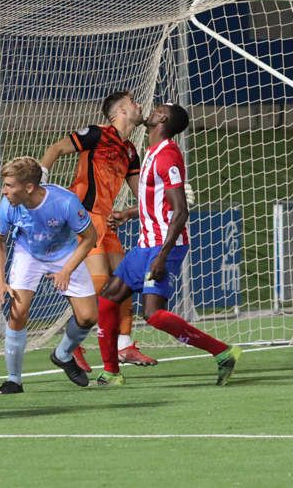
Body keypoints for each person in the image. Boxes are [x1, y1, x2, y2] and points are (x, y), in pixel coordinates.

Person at [96, 103, 242, 386]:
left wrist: (162, 257)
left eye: (157, 109)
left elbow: (180, 210)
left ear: (162, 118)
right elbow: (156, 200)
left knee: (152, 314)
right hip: (145, 244)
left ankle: (223, 351)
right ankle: (111, 372)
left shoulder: (167, 156)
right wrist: (128, 214)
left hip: (163, 246)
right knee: (108, 298)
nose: (151, 110)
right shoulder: (151, 152)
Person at [39, 90, 157, 371]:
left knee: (125, 283)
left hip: (107, 220)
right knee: (97, 285)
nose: (139, 105)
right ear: (120, 111)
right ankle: (72, 345)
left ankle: (124, 346)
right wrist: (40, 188)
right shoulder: (95, 134)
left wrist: (159, 199)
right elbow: (55, 149)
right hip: (83, 218)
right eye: (133, 102)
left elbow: (140, 193)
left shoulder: (129, 150)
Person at [0, 156, 98, 394]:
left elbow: (91, 237)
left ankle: (62, 355)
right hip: (28, 253)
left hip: (64, 253)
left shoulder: (65, 202)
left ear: (28, 187)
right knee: (18, 312)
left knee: (89, 317)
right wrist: (0, 282)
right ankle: (13, 380)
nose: (4, 190)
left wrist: (67, 270)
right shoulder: (8, 205)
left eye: (9, 185)